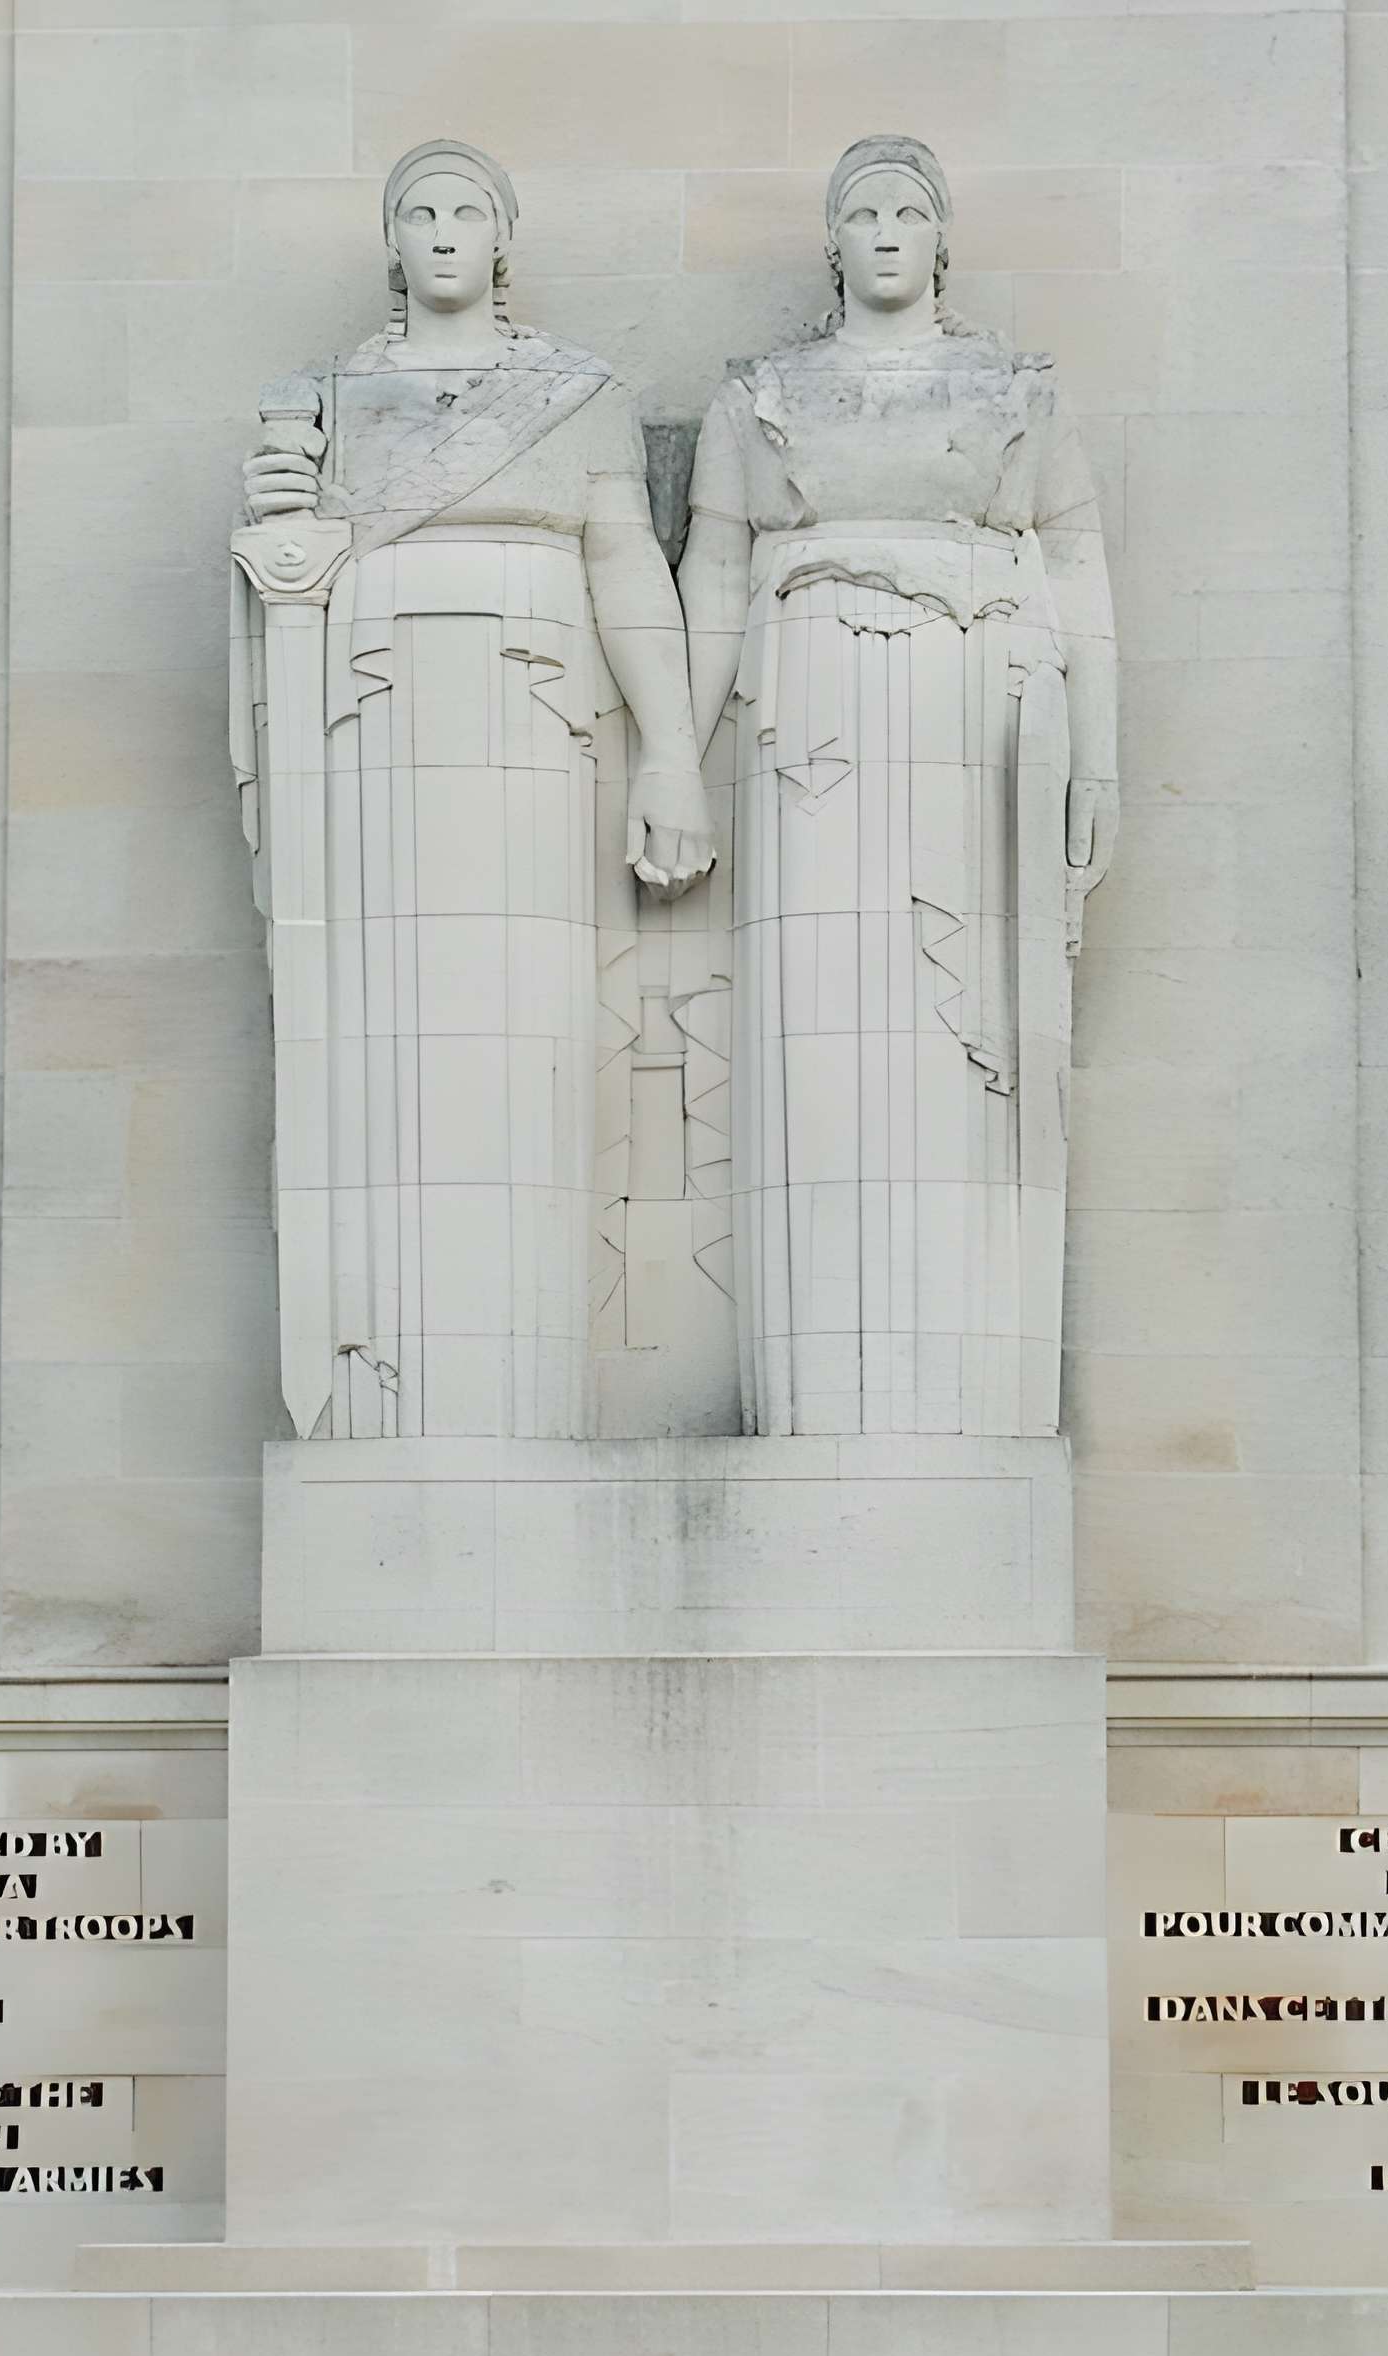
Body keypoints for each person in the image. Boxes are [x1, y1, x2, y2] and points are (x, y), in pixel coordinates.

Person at [231, 139, 712, 1438]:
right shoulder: (324, 400)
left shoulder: (574, 396)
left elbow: (628, 570)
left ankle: (518, 1385)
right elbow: (290, 578)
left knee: (532, 1030)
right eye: (420, 211)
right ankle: (390, 1387)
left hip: (534, 719)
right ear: (394, 243)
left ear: (505, 240)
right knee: (389, 1038)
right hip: (375, 733)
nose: (444, 230)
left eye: (467, 210)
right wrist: (281, 519)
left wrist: (670, 753)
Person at [676, 134, 1120, 1437]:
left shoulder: (1015, 394)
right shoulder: (762, 396)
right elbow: (711, 578)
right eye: (858, 212)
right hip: (808, 716)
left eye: (905, 212)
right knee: (820, 1035)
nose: (881, 231)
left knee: (957, 1047)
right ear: (830, 244)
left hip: (973, 713)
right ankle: (824, 1389)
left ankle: (955, 1384)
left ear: (939, 242)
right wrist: (666, 762)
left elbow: (1078, 566)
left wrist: (1100, 753)